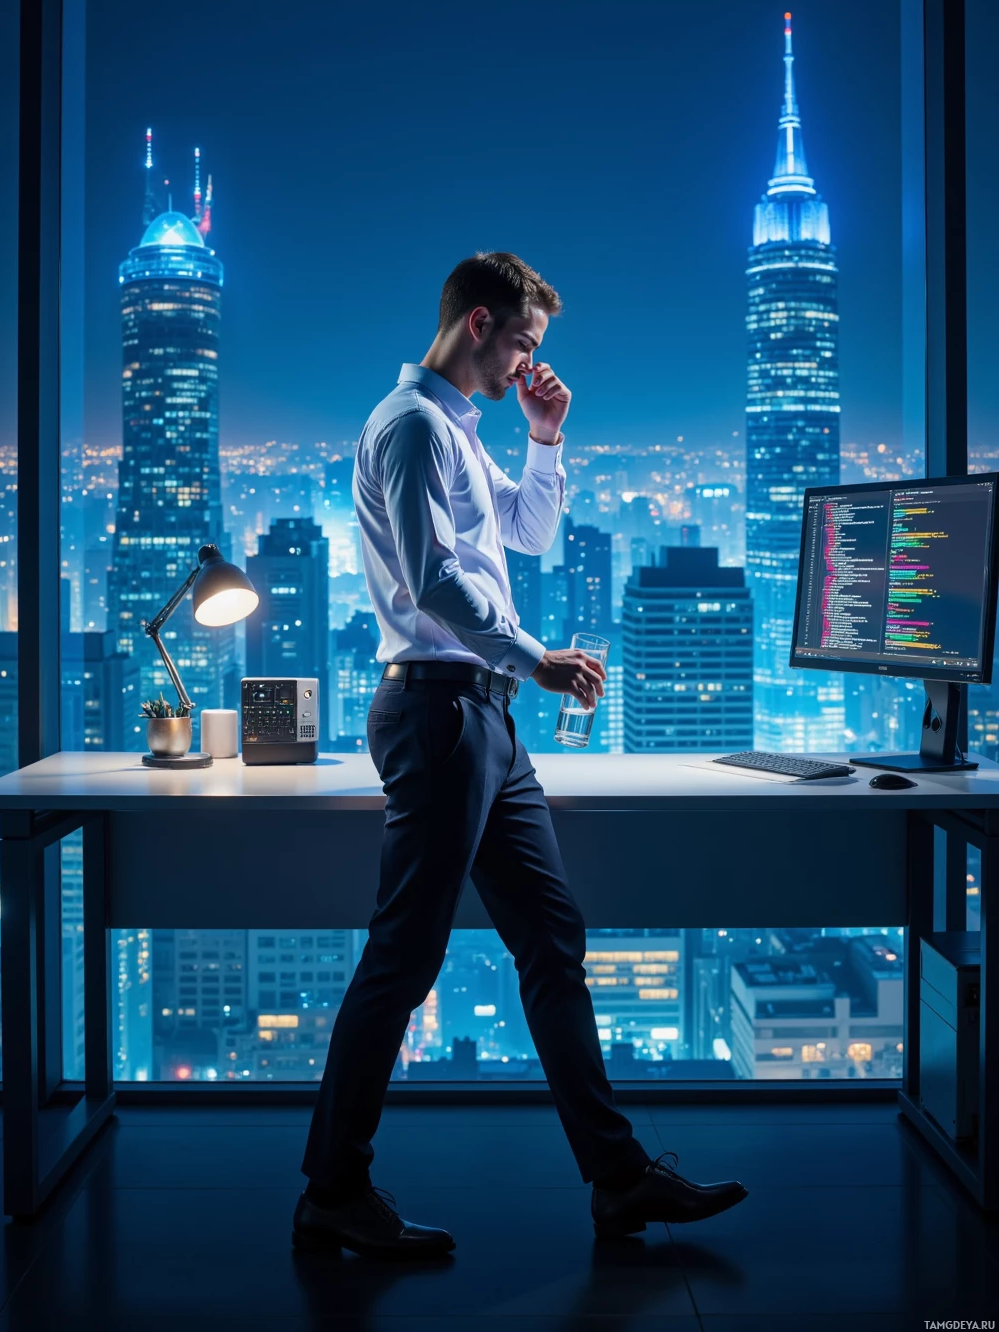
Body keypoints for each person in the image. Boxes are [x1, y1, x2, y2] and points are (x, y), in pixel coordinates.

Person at [292, 252, 748, 1260]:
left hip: (482, 721)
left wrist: (547, 440)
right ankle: (331, 1189)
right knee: (402, 959)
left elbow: (532, 532)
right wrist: (537, 661)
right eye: (525, 346)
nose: (527, 366)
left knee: (551, 937)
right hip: (442, 714)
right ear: (480, 322)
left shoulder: (455, 431)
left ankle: (618, 1179)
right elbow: (430, 585)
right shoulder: (411, 428)